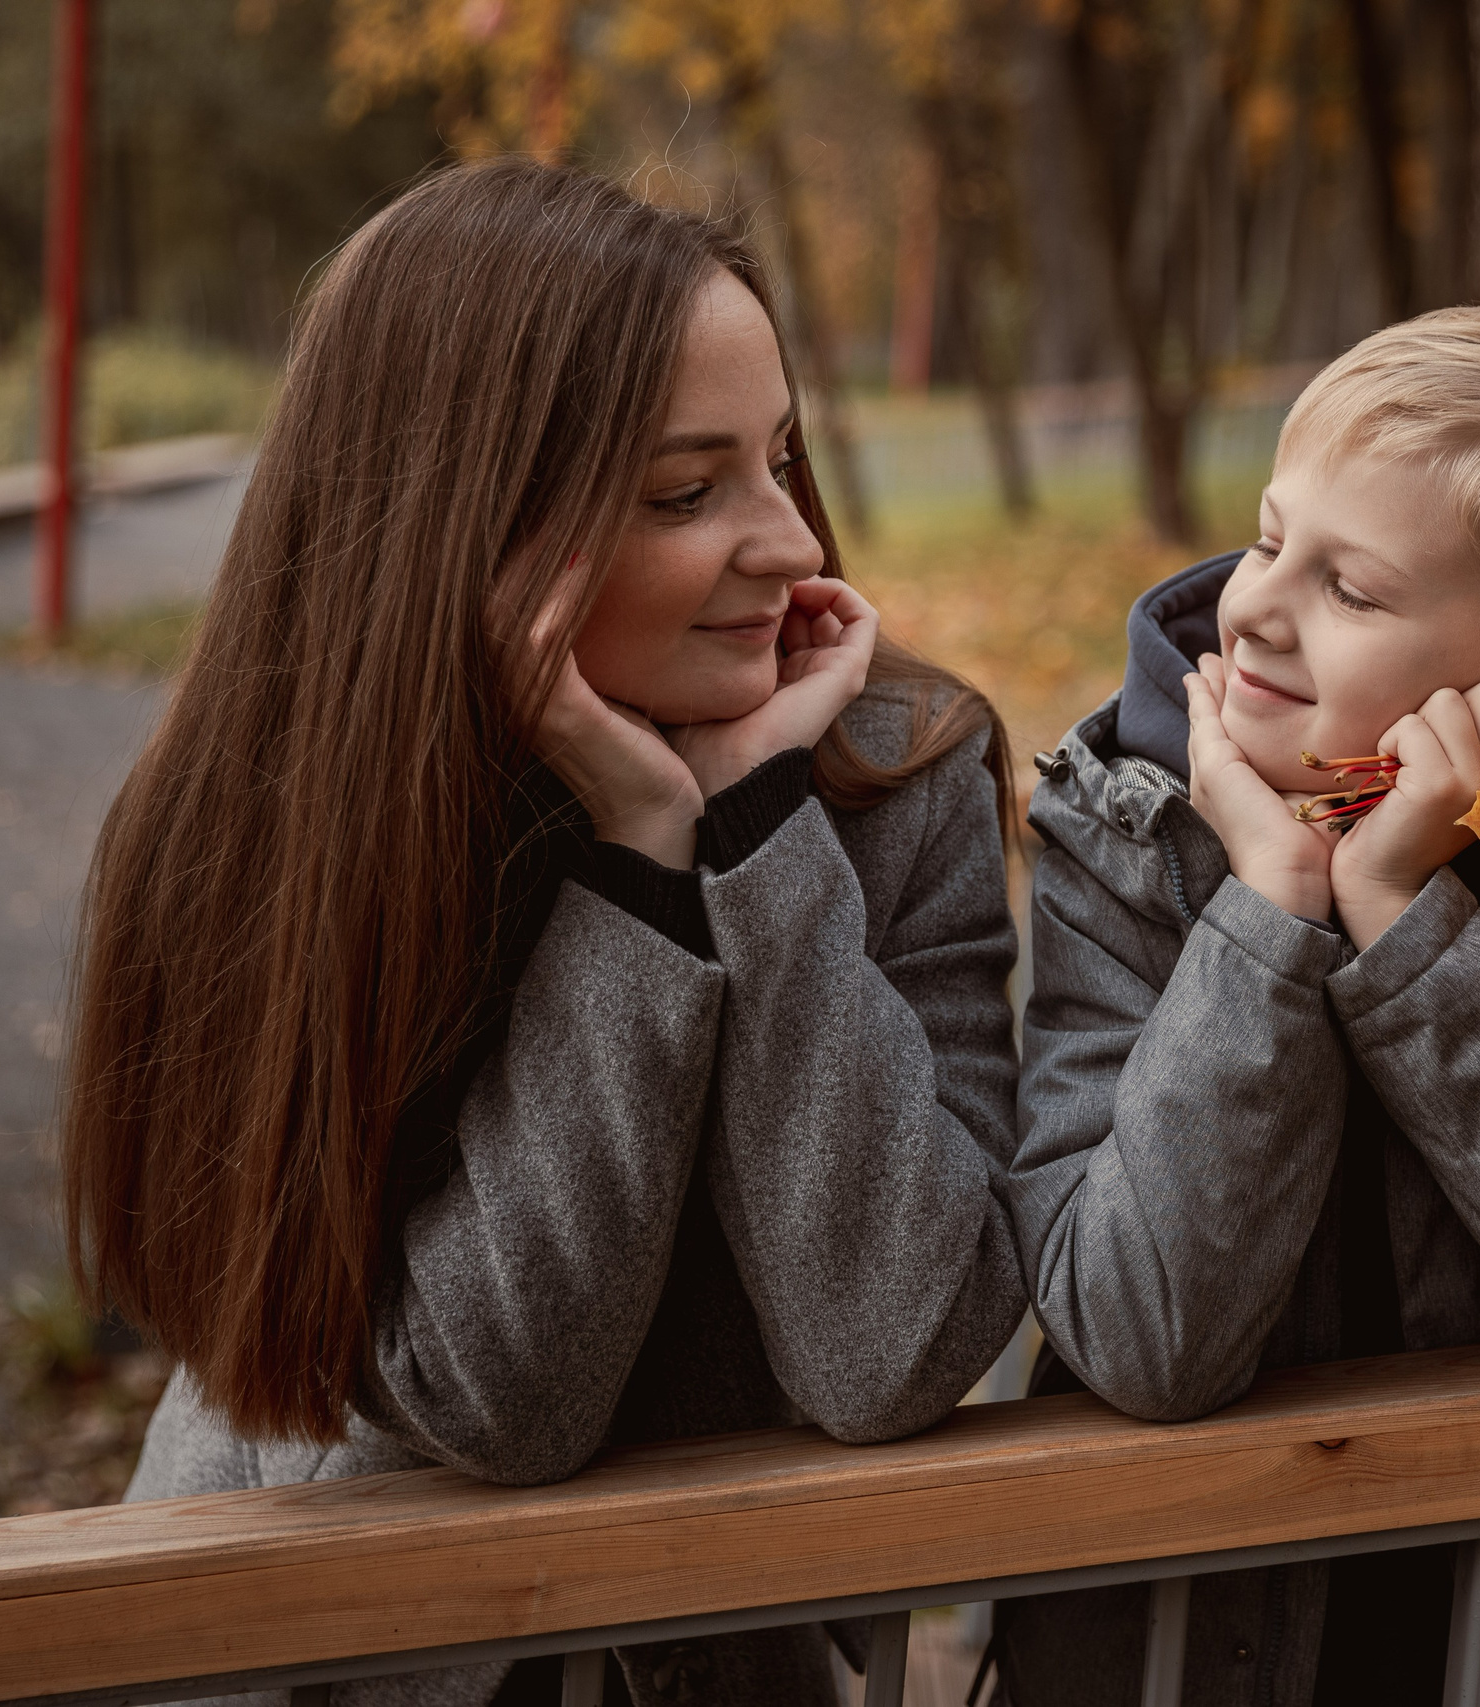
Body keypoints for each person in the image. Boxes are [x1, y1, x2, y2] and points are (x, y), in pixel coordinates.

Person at [63, 159, 1027, 1706]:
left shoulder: (898, 781)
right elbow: (500, 1404)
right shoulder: (275, 822)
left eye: (780, 459)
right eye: (684, 493)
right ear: (477, 525)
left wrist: (756, 838)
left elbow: (890, 1351)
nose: (790, 545)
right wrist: (640, 865)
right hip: (315, 1648)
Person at [995, 301, 1480, 1706]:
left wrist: (1411, 923)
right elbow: (1139, 1338)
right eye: (1268, 534)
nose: (1249, 604)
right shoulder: (1122, 844)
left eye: (1350, 591)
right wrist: (1270, 906)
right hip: (1166, 1664)